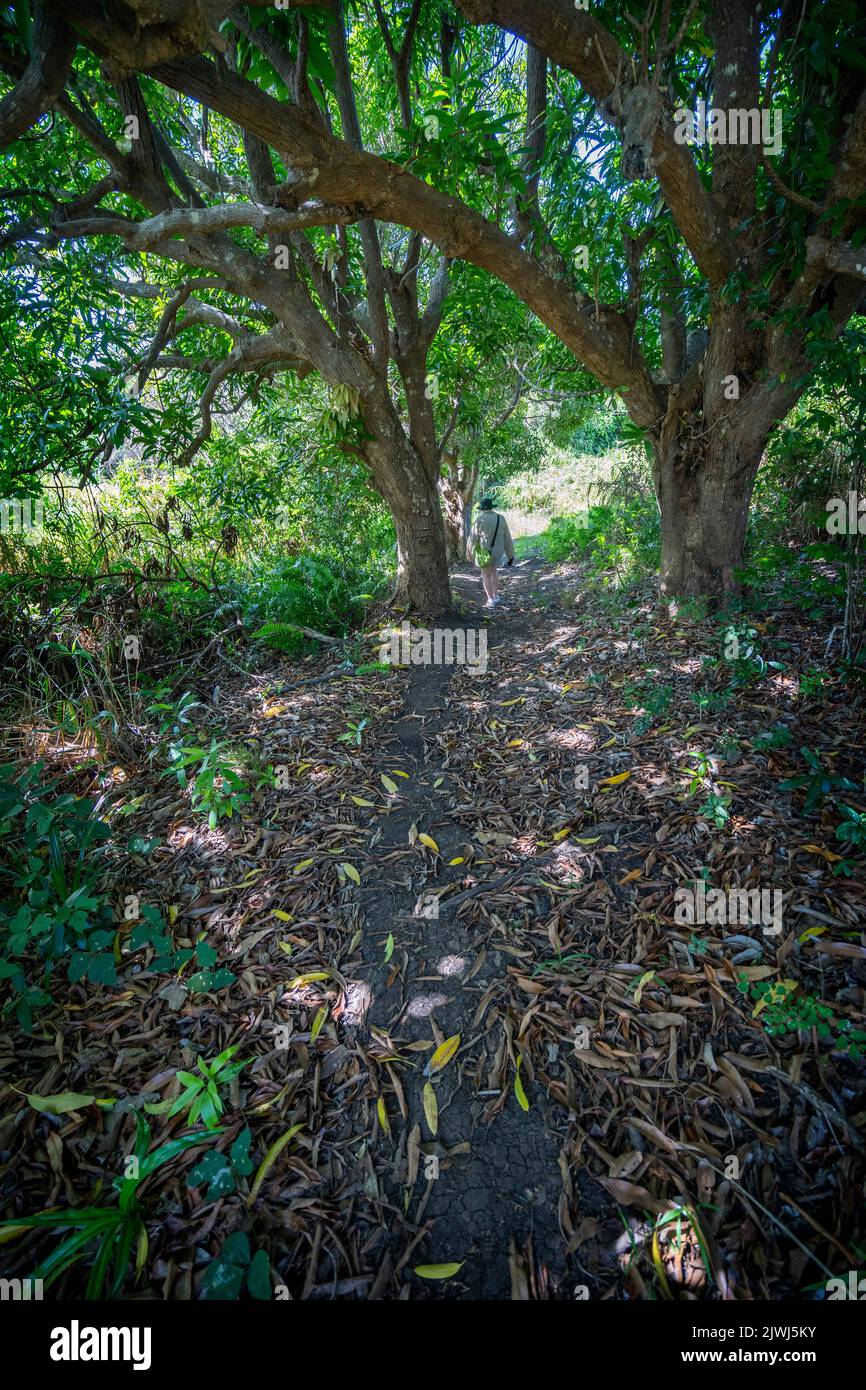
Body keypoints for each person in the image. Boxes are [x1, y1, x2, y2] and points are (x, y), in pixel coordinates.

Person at [469, 497, 514, 607]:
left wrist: (469, 552)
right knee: (493, 572)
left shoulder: (480, 519)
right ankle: (496, 596)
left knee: (486, 574)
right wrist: (510, 555)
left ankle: (490, 600)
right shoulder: (501, 518)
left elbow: (472, 538)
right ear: (491, 507)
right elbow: (507, 537)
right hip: (498, 550)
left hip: (484, 551)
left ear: (482, 509)